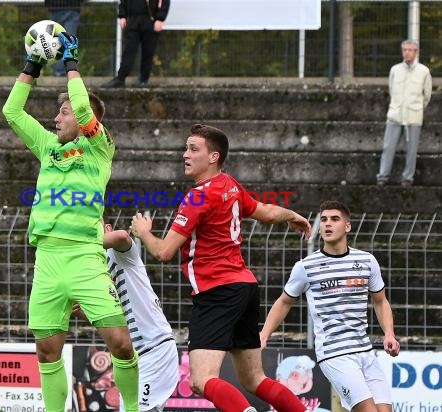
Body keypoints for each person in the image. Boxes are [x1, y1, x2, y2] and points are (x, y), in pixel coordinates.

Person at [130, 123, 312, 412]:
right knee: (255, 379)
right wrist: (293, 214)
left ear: (213, 157)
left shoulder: (197, 197)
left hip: (217, 291)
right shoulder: (229, 184)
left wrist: (143, 232)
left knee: (201, 380)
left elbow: (163, 251)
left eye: (193, 149)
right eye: (185, 148)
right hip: (245, 288)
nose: (184, 154)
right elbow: (264, 211)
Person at [2, 33, 139, 412]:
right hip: (47, 259)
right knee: (47, 352)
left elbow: (81, 108)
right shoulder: (48, 147)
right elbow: (12, 113)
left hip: (84, 257)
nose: (57, 117)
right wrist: (33, 65)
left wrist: (71, 63)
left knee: (121, 343)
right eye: (58, 112)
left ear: (86, 121)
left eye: (63, 113)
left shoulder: (99, 149)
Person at [260, 200, 400, 412]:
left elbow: (380, 301)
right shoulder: (306, 267)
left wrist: (389, 333)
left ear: (347, 226)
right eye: (324, 219)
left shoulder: (366, 261)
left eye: (335, 219)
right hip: (334, 354)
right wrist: (264, 334)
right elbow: (284, 302)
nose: (327, 224)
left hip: (365, 350)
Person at [75, 221, 179, 412]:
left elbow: (122, 236)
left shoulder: (118, 253)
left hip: (154, 349)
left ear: (106, 229)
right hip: (136, 358)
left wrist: (75, 246)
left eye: (91, 231)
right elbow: (111, 319)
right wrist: (83, 312)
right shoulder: (94, 271)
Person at [376, 39, 432, 188]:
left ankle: (408, 178)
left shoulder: (424, 71)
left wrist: (418, 108)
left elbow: (427, 95)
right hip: (395, 115)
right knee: (388, 147)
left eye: (410, 50)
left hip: (413, 116)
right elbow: (391, 89)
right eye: (404, 50)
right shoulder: (395, 70)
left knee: (412, 150)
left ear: (416, 52)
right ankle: (383, 176)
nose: (407, 52)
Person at [102, 0, 170, 88]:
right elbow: (123, 2)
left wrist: (160, 18)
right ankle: (120, 79)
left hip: (151, 20)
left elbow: (165, 2)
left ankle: (143, 80)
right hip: (132, 20)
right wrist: (122, 16)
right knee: (128, 51)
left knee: (148, 52)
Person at [45, 0, 85, 77]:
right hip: (72, 6)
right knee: (69, 42)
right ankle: (69, 70)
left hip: (55, 7)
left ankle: (58, 71)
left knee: (56, 42)